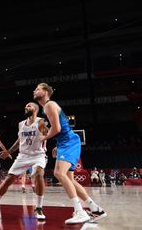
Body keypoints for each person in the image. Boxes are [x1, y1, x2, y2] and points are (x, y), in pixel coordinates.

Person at [33, 83, 106, 224]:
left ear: (46, 92)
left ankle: (80, 212)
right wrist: (57, 145)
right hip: (65, 142)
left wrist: (44, 137)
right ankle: (96, 209)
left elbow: (57, 128)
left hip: (69, 141)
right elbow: (58, 129)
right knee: (69, 179)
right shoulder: (46, 108)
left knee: (58, 173)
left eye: (37, 89)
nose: (34, 91)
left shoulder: (49, 104)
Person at [0, 102, 48, 220]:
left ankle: (38, 208)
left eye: (29, 106)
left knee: (39, 175)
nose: (26, 107)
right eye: (26, 106)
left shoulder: (40, 122)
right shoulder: (21, 124)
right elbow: (19, 141)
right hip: (23, 156)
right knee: (8, 180)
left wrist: (51, 144)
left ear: (36, 109)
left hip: (38, 155)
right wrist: (8, 152)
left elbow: (49, 133)